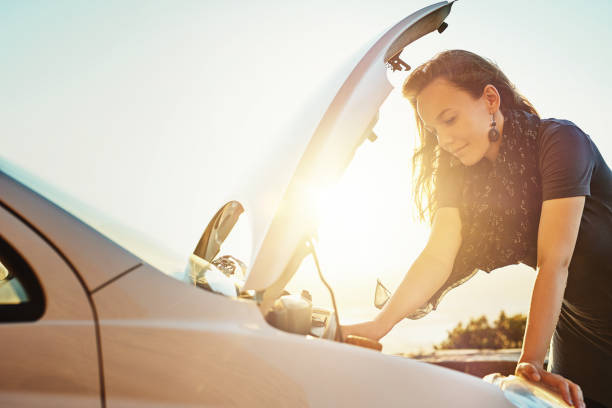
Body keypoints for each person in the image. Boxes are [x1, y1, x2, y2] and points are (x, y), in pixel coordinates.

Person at [341, 50, 612, 408]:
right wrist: (379, 326)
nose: (443, 140)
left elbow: (555, 260)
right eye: (434, 129)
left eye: (449, 119)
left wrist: (529, 361)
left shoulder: (561, 141)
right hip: (578, 330)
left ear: (489, 99)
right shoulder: (457, 175)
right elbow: (438, 255)